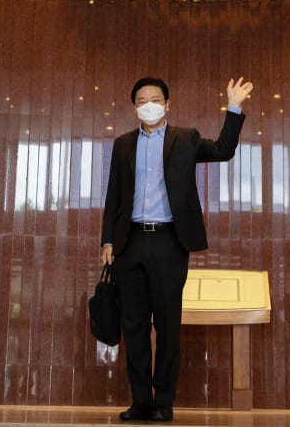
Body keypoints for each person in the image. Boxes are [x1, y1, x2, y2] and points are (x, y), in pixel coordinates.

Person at [100, 76, 254, 422]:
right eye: (141, 100)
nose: (149, 105)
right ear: (134, 107)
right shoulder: (123, 144)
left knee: (168, 325)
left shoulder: (186, 138)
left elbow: (224, 151)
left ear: (168, 105)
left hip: (169, 242)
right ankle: (140, 401)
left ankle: (163, 402)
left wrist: (234, 107)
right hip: (129, 244)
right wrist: (107, 240)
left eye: (155, 99)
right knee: (134, 325)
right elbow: (114, 196)